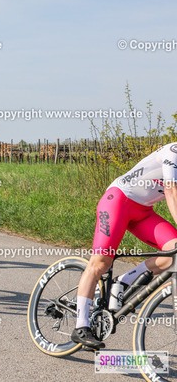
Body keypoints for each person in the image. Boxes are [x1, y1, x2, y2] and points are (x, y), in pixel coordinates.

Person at [72, 143, 177, 349]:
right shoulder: (173, 152)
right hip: (118, 201)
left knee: (174, 252)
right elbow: (171, 190)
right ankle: (81, 326)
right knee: (100, 263)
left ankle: (123, 281)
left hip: (143, 212)